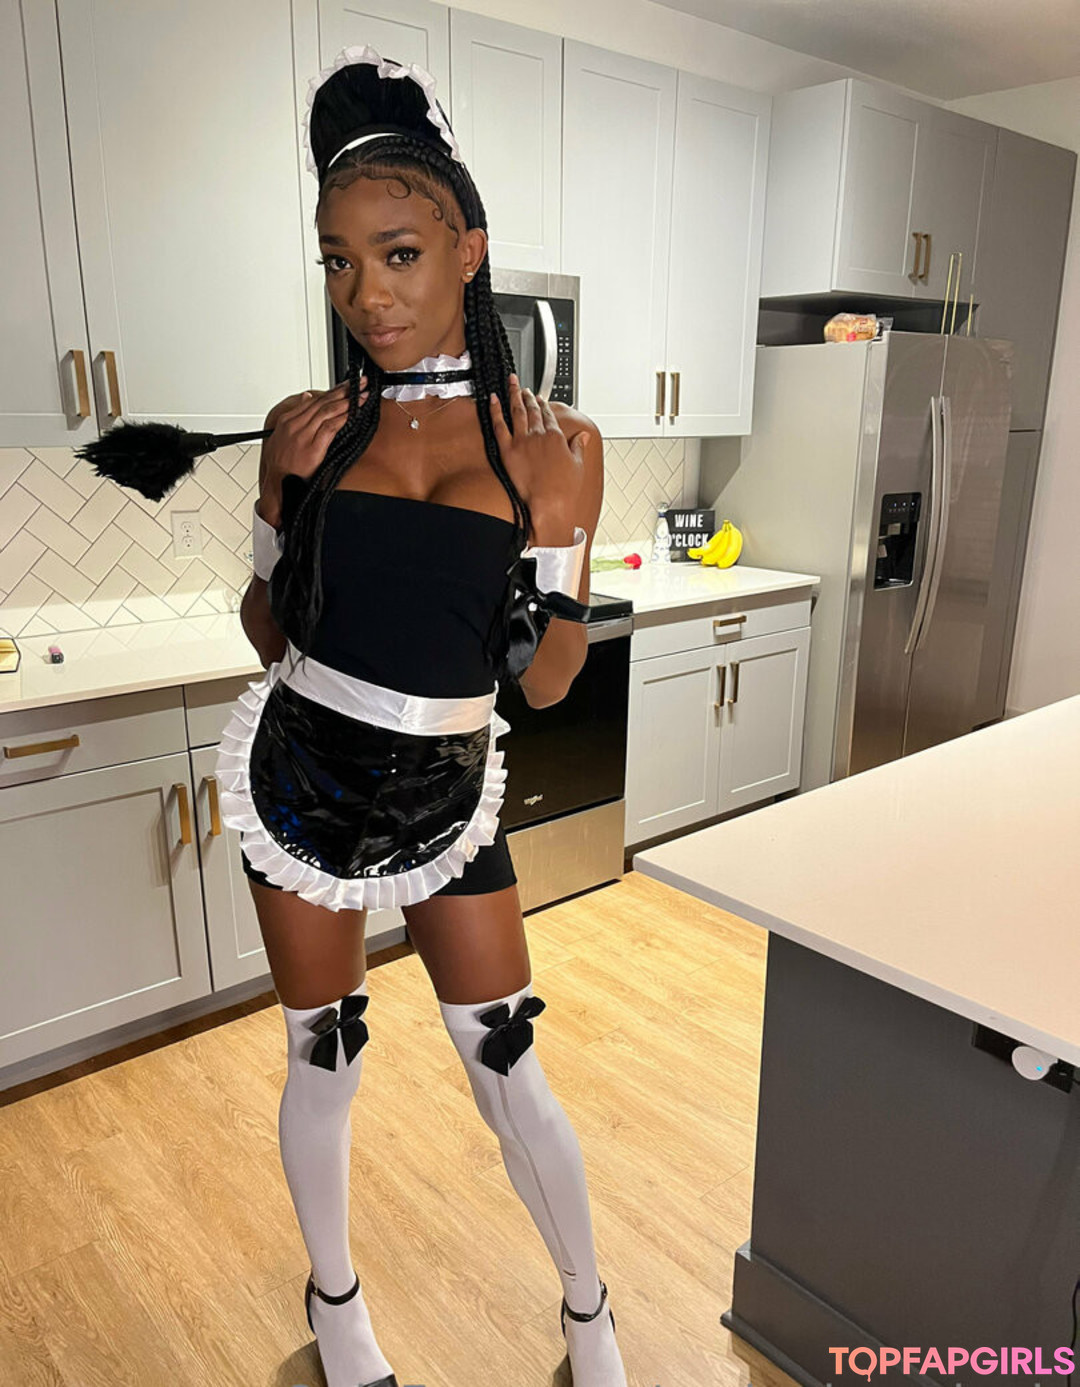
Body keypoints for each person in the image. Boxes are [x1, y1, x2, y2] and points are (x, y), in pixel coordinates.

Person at [214, 45, 628, 1387]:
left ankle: (590, 1315)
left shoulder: (558, 448)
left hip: (450, 785)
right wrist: (276, 499)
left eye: (397, 254)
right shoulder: (308, 425)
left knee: (505, 1062)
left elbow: (546, 686)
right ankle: (338, 1309)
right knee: (322, 1058)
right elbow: (269, 632)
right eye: (339, 262)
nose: (367, 294)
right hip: (299, 772)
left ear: (467, 251)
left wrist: (552, 554)